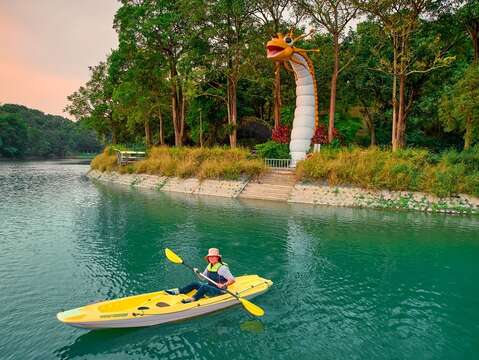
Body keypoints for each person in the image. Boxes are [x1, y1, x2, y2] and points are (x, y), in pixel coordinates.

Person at [167, 248, 236, 303]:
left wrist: (224, 285)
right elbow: (202, 278)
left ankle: (193, 298)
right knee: (195, 283)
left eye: (213, 257)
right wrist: (197, 272)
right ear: (208, 258)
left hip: (220, 291)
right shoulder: (210, 266)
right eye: (210, 257)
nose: (211, 258)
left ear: (217, 258)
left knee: (204, 286)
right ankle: (179, 291)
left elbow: (232, 279)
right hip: (210, 288)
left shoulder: (222, 268)